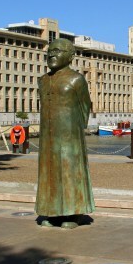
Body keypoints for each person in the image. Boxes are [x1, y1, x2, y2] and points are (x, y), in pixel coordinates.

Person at [36, 38, 95, 229]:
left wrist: (75, 129)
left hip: (70, 135)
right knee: (49, 172)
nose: (52, 54)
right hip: (48, 136)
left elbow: (85, 106)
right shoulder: (43, 80)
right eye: (50, 51)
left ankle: (73, 212)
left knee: (70, 171)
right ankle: (52, 211)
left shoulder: (76, 79)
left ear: (70, 56)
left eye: (58, 51)